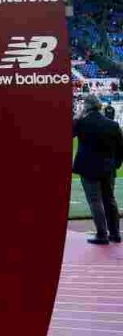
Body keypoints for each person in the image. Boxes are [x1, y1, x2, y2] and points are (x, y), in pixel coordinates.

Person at [73, 95, 122, 245]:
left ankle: (102, 234)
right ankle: (115, 233)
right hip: (108, 167)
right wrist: (115, 164)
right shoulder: (112, 125)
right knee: (110, 200)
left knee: (95, 201)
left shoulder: (81, 123)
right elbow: (121, 149)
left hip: (88, 168)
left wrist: (78, 116)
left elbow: (68, 132)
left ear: (86, 106)